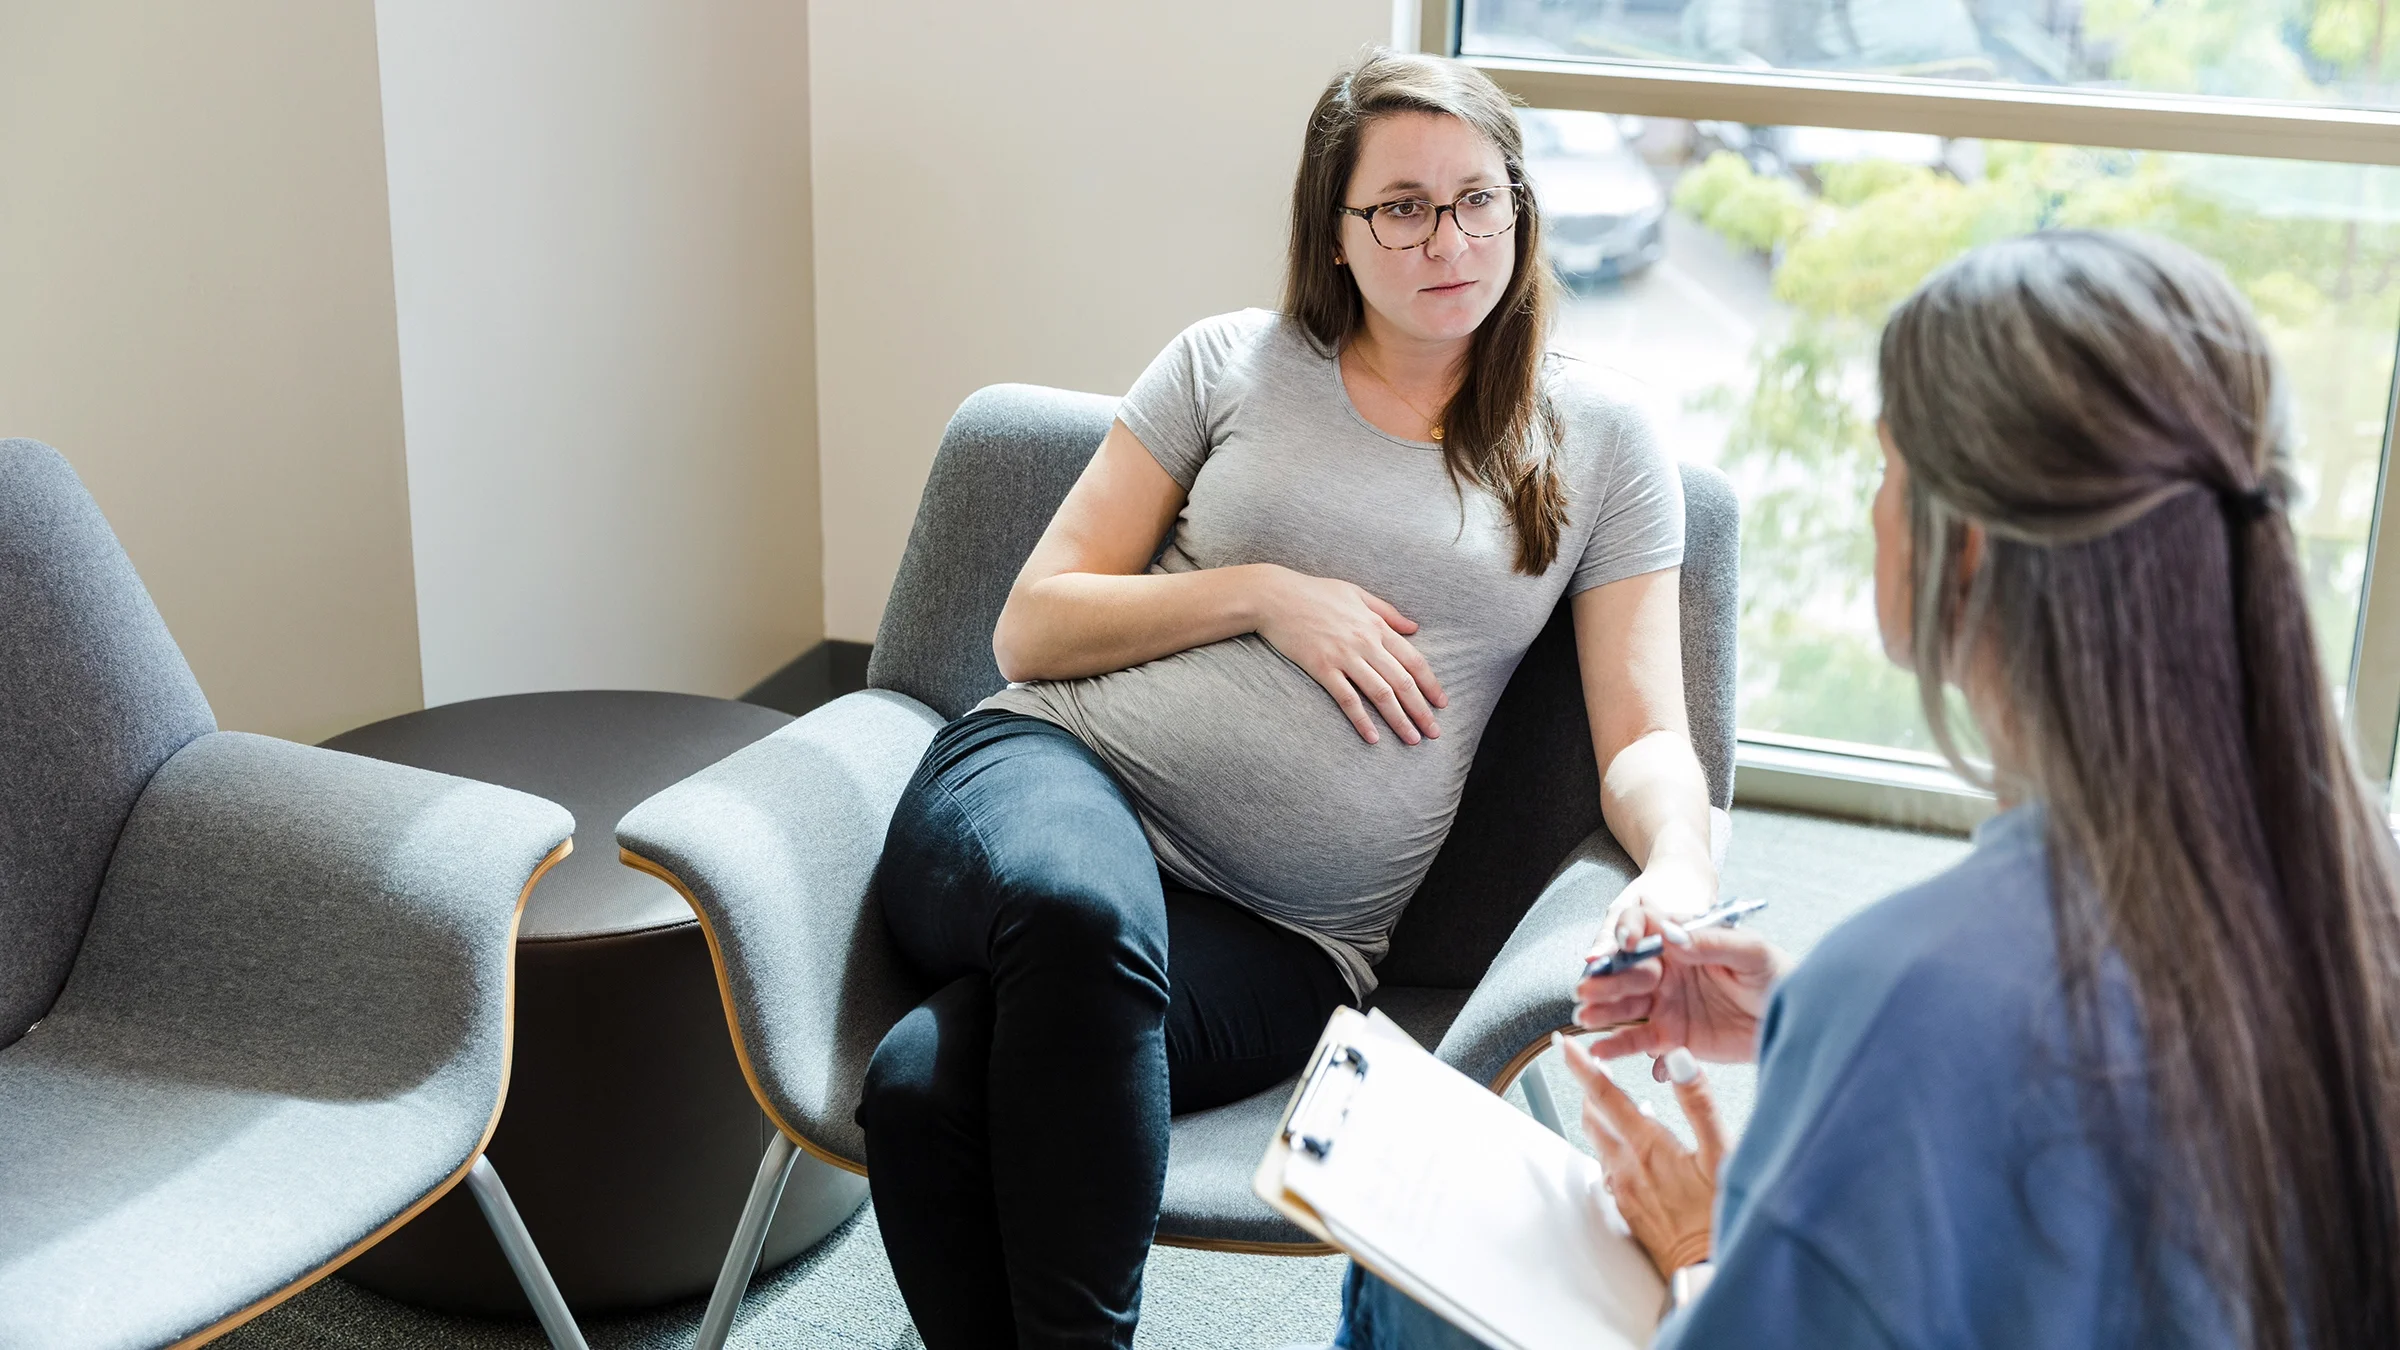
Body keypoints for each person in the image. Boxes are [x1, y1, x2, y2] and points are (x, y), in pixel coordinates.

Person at [1336, 228, 2400, 1349]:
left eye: (1889, 468)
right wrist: (1815, 1021)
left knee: (1413, 1270)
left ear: (1971, 549)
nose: (1876, 508)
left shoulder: (1917, 992)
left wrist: (1713, 1250)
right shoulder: (2350, 883)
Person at [852, 47, 1718, 1350]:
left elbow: (1644, 731)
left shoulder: (1596, 442)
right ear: (1336, 230)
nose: (1452, 237)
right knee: (1086, 913)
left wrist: (1683, 857)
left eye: (1482, 198)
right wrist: (1264, 590)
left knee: (925, 1085)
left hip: (1289, 944)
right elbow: (1033, 622)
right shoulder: (1227, 365)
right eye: (1406, 207)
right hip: (1055, 783)